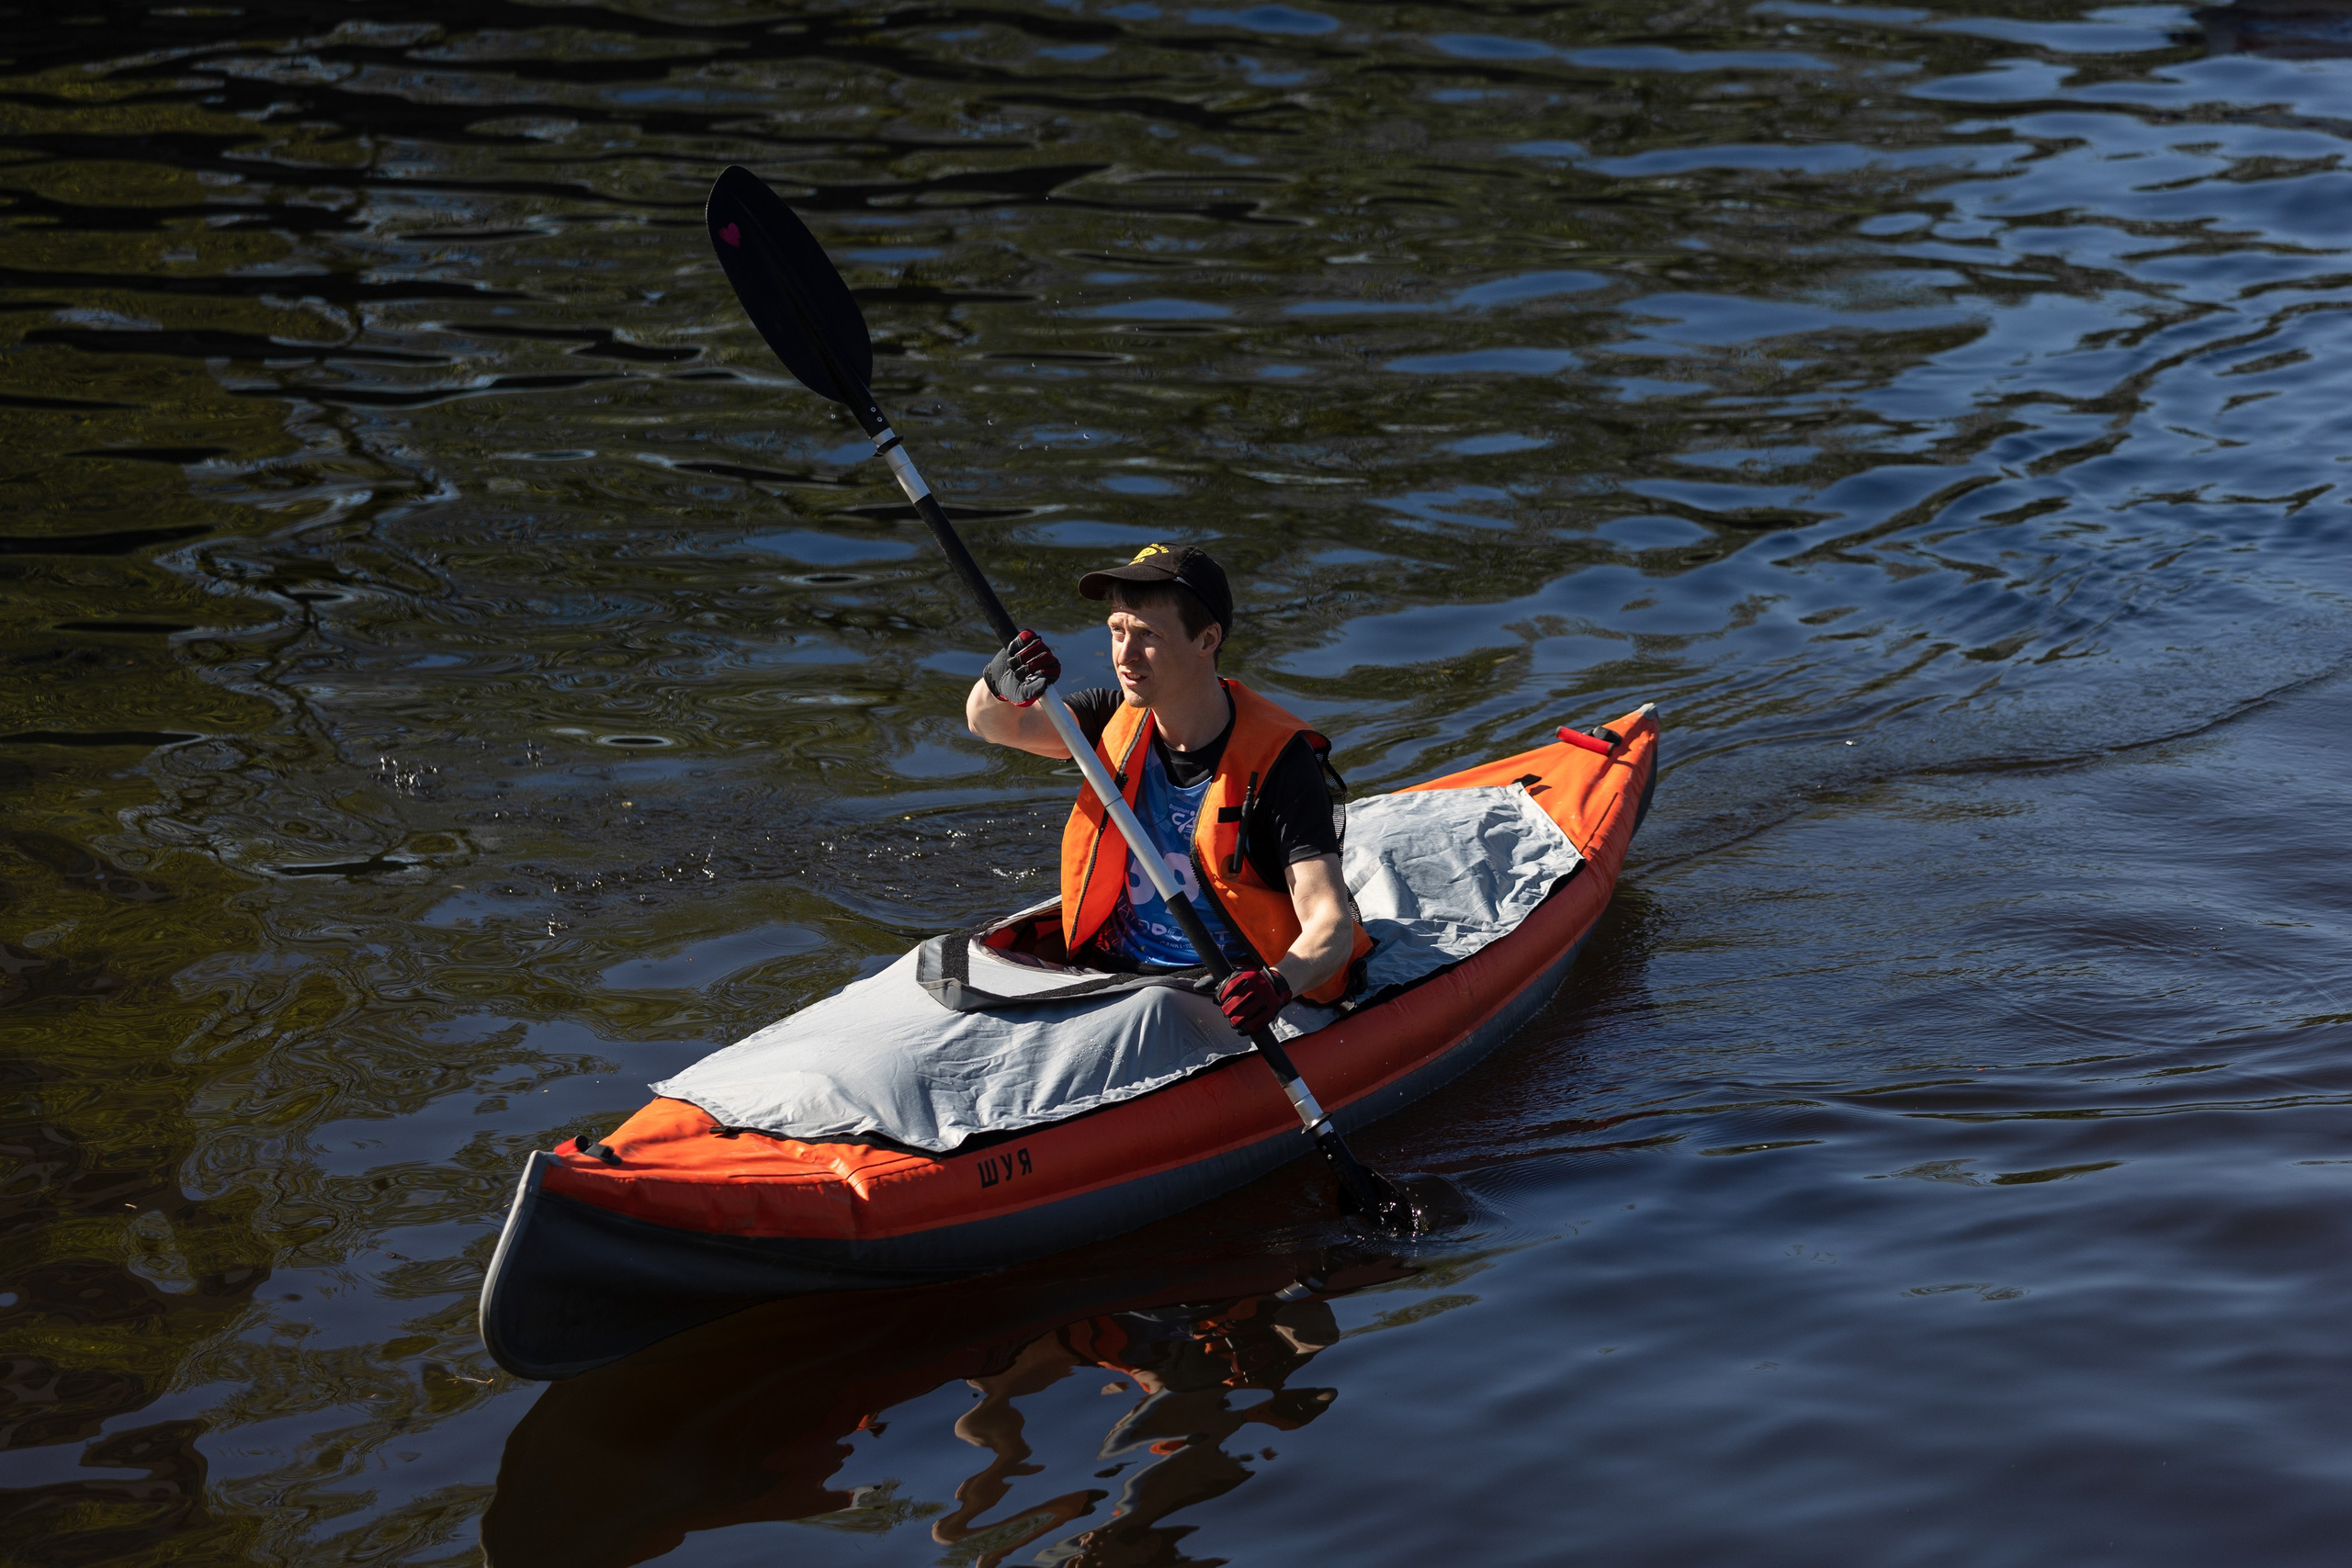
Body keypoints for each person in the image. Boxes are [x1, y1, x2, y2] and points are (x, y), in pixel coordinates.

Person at [965, 542, 1372, 1036]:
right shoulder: (1106, 717)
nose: (1125, 655)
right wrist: (1001, 683)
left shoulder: (1281, 763)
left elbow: (1330, 924)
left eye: (1147, 635)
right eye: (1117, 631)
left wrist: (1277, 985)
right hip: (1111, 975)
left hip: (1224, 990)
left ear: (1207, 639)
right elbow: (991, 724)